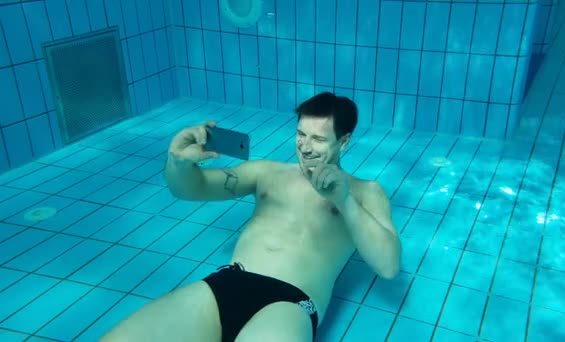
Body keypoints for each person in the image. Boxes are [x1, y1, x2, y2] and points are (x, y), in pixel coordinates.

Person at [100, 92, 402, 342]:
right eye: (300, 135)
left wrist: (344, 200)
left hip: (290, 302)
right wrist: (178, 162)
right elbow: (191, 189)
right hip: (227, 283)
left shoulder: (364, 192)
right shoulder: (266, 173)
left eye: (319, 139)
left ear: (344, 141)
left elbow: (388, 265)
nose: (306, 147)